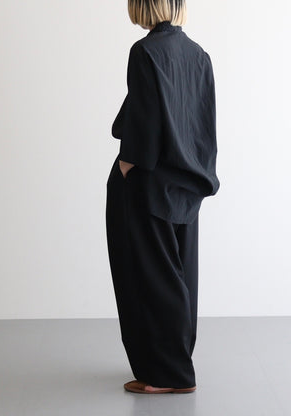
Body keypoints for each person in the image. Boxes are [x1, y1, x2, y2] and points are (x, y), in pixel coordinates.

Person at [106, 0, 220, 394]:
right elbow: (204, 122)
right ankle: (175, 363)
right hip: (188, 180)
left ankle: (167, 374)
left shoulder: (145, 52)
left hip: (149, 182)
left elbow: (146, 119)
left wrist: (128, 164)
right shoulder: (199, 55)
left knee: (148, 277)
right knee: (180, 277)